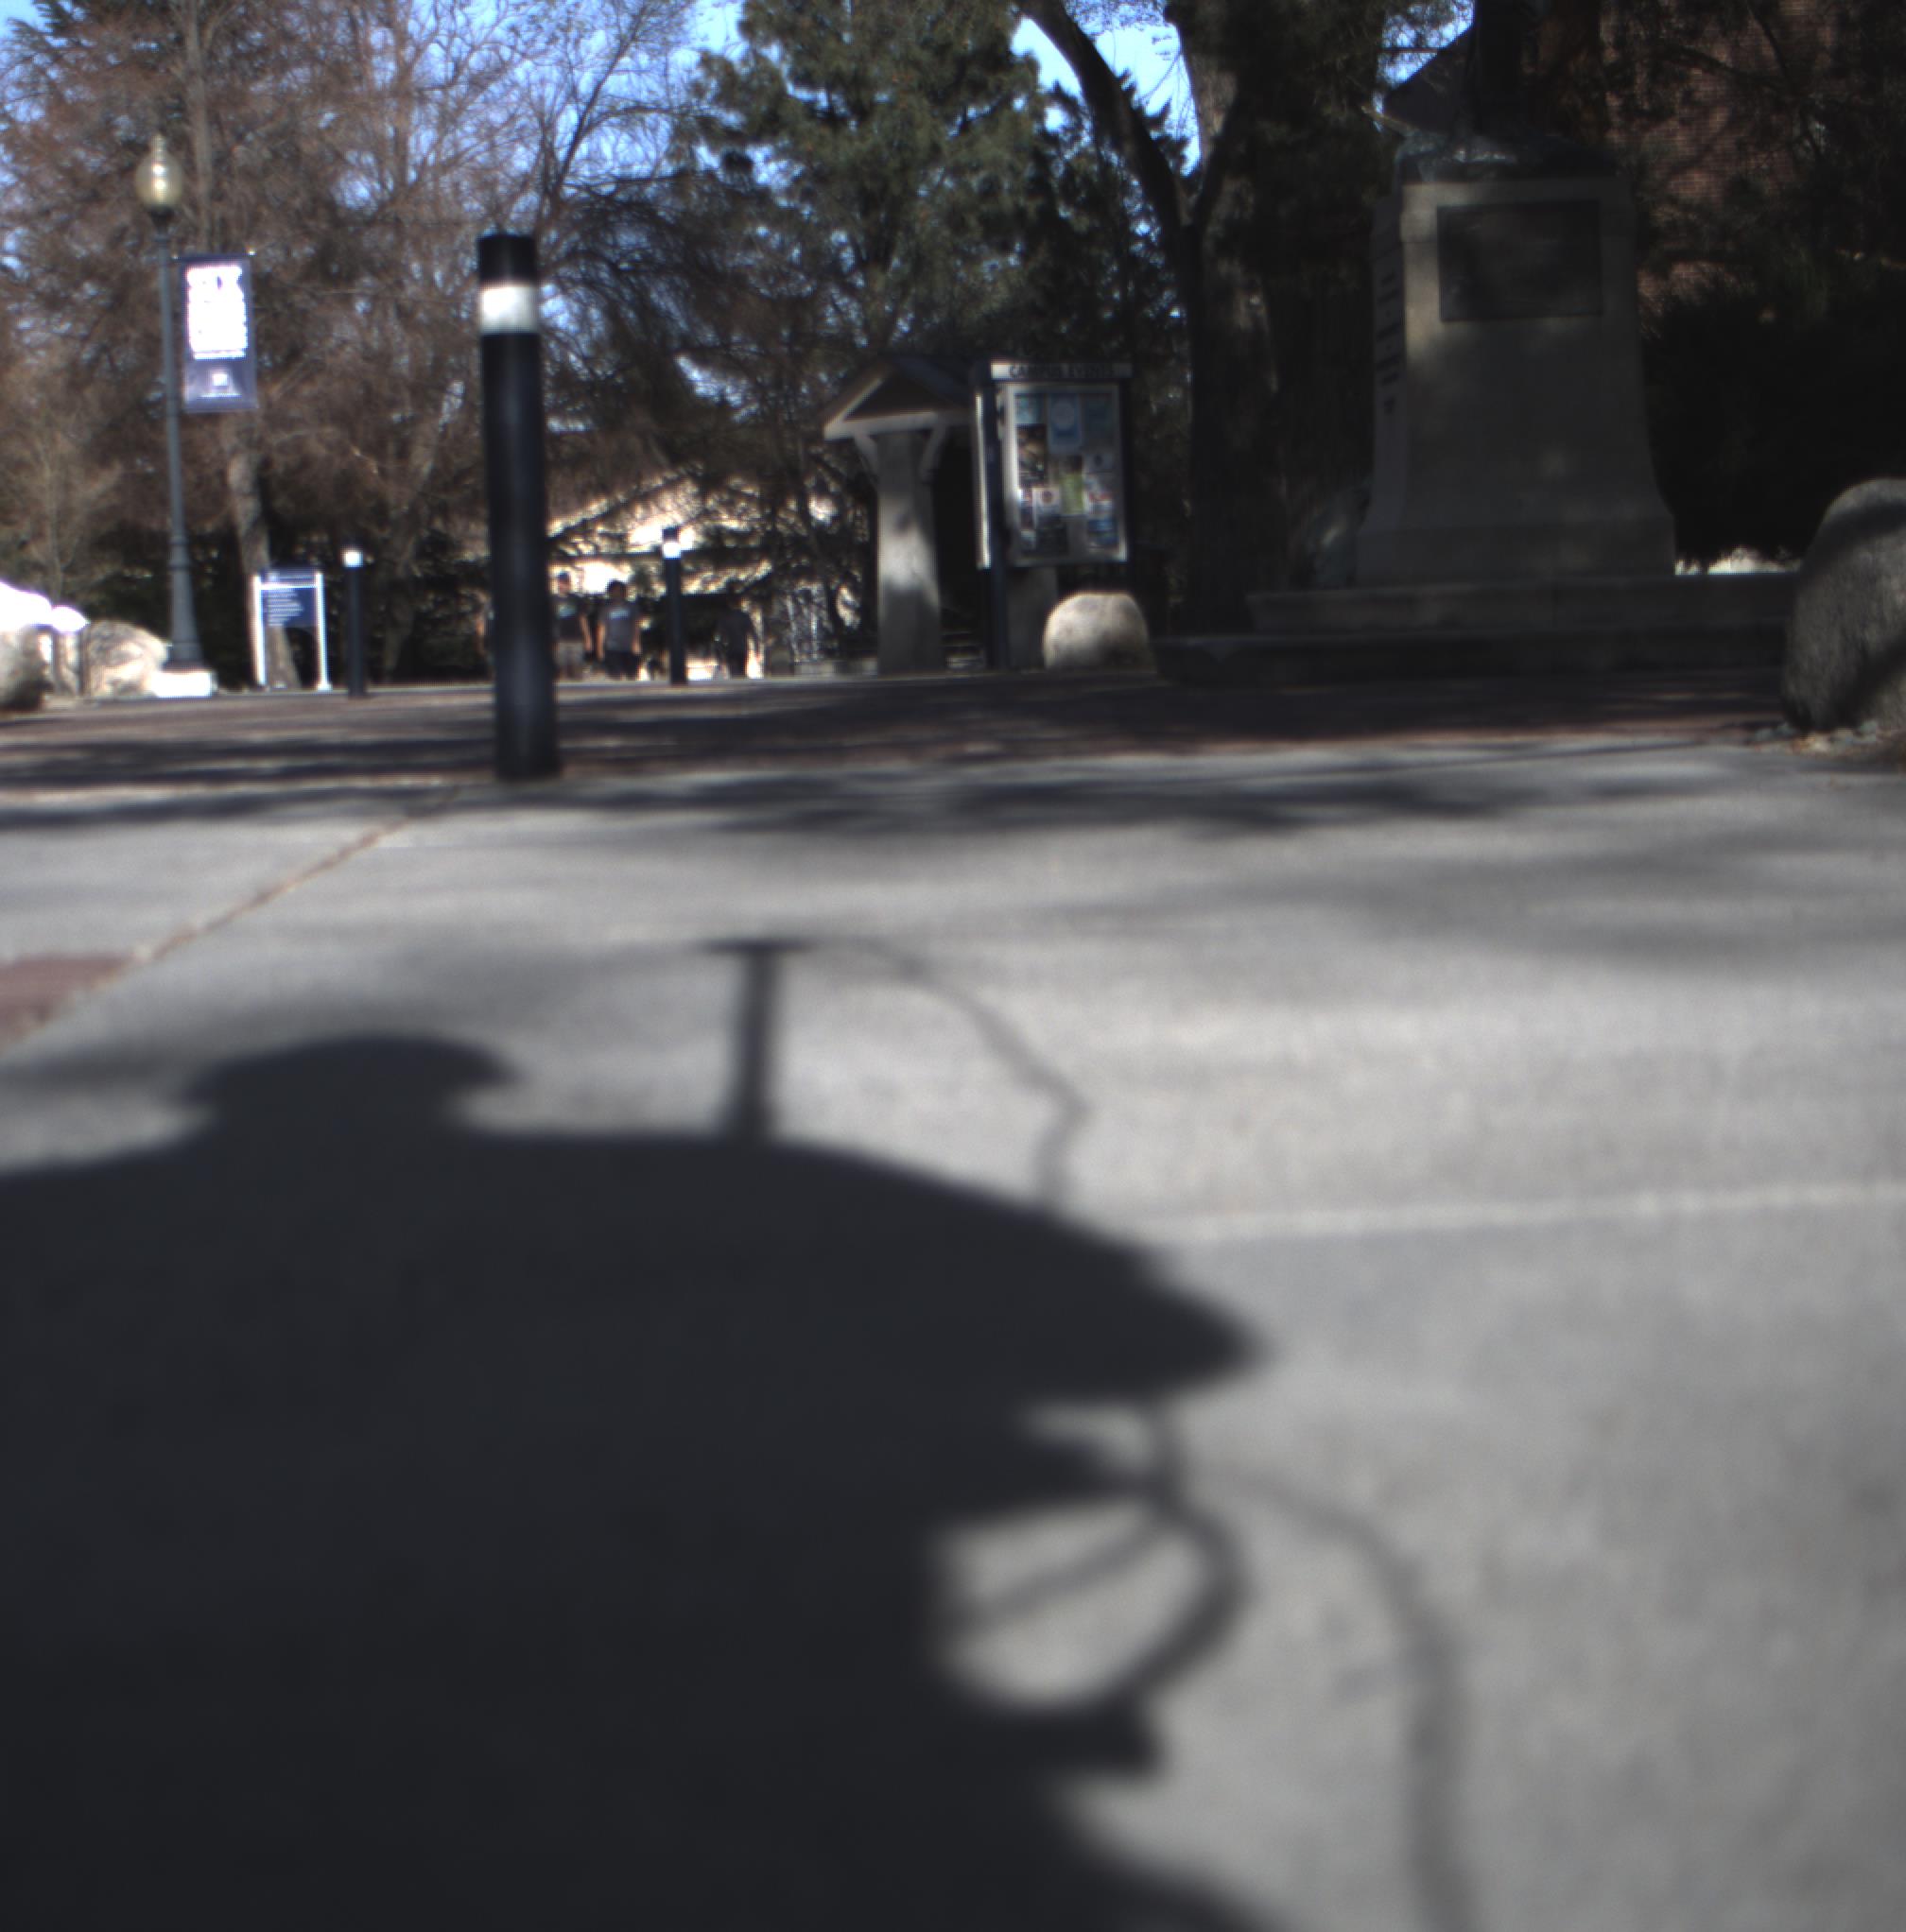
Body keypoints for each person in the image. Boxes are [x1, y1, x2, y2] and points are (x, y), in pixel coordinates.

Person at [551, 570, 594, 681]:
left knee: (577, 669)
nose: (564, 584)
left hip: (576, 639)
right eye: (561, 582)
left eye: (566, 582)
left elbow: (583, 619)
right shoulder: (552, 600)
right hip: (560, 640)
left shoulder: (576, 599)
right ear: (558, 583)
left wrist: (588, 639)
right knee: (562, 669)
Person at [598, 579, 640, 680]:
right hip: (612, 647)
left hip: (629, 646)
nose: (617, 593)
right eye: (615, 591)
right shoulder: (606, 609)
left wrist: (636, 643)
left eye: (620, 590)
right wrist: (600, 648)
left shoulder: (631, 607)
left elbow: (636, 626)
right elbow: (602, 629)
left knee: (631, 676)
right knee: (615, 676)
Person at [714, 593, 755, 681]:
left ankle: (734, 681)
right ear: (740, 603)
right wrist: (757, 648)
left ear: (730, 604)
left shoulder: (725, 617)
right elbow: (752, 633)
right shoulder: (744, 616)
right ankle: (741, 681)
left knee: (732, 671)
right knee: (742, 670)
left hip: (730, 648)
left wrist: (718, 650)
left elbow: (718, 636)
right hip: (742, 648)